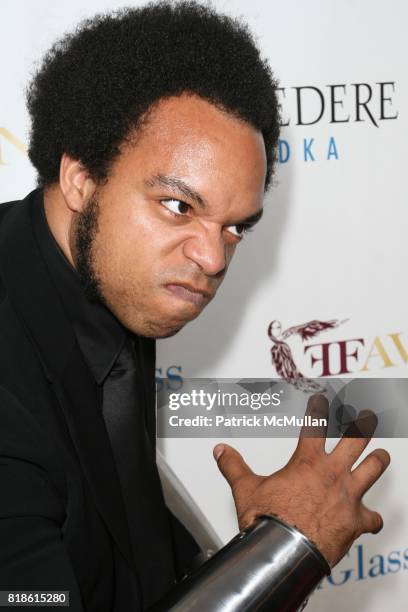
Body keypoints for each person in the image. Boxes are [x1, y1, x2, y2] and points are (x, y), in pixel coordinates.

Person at [0, 2, 390, 611]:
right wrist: (284, 551)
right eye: (178, 206)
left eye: (236, 227)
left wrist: (238, 554)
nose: (212, 258)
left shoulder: (108, 276)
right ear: (79, 177)